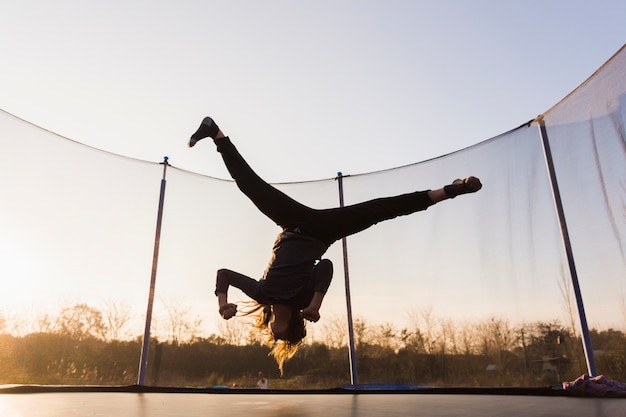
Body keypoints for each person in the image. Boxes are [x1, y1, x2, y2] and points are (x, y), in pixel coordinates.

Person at [188, 116, 482, 373]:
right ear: (290, 330)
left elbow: (224, 273)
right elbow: (326, 266)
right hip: (321, 233)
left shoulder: (261, 293)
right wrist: (316, 304)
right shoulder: (302, 300)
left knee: (250, 186)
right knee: (381, 210)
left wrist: (222, 302)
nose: (273, 335)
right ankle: (451, 190)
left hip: (291, 223)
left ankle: (216, 134)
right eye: (280, 337)